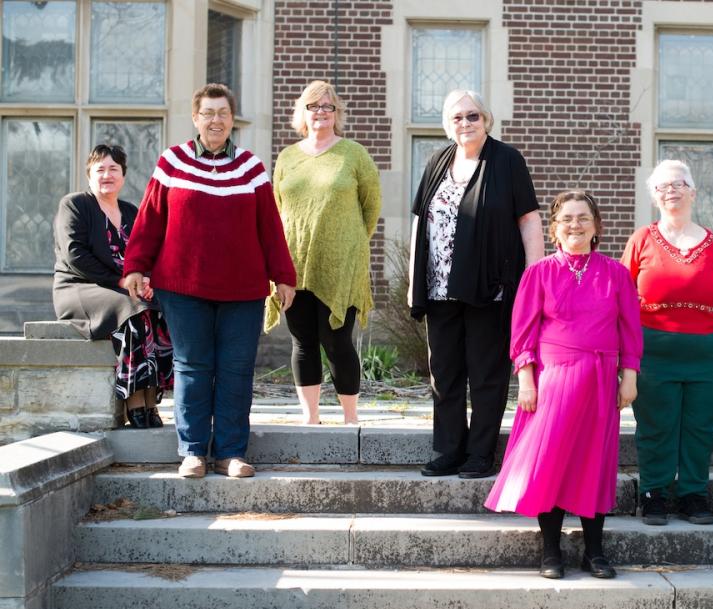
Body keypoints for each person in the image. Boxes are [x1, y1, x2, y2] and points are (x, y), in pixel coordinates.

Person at [122, 83, 297, 479]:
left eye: (222, 113)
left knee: (236, 369)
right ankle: (194, 452)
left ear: (232, 119)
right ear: (196, 118)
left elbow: (270, 228)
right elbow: (150, 220)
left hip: (243, 290)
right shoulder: (172, 162)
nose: (215, 120)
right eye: (208, 113)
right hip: (183, 287)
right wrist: (135, 266)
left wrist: (284, 276)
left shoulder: (251, 167)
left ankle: (231, 453)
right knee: (192, 367)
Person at [485, 191, 641, 579]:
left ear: (597, 227)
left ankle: (594, 551)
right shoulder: (538, 273)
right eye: (568, 218)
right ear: (555, 229)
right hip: (552, 379)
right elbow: (522, 332)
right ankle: (551, 552)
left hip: (601, 379)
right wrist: (526, 380)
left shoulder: (616, 274)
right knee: (550, 461)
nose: (576, 224)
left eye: (583, 218)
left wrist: (630, 376)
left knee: (595, 462)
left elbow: (630, 330)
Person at [408, 89, 545, 479]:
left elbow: (529, 220)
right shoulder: (437, 160)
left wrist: (534, 279)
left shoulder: (507, 160)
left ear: (486, 119)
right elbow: (421, 219)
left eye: (472, 116)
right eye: (457, 118)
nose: (465, 124)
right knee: (445, 371)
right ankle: (450, 449)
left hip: (491, 286)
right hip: (439, 287)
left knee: (486, 372)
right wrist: (415, 282)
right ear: (447, 125)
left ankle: (480, 454)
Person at [622, 159, 713, 526]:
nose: (671, 191)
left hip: (708, 353)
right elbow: (623, 295)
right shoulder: (642, 239)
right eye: (662, 186)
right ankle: (654, 494)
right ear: (654, 197)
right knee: (656, 425)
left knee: (701, 426)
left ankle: (693, 494)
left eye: (679, 184)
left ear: (693, 191)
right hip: (654, 351)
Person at [264, 80, 381, 425]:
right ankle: (310, 418)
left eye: (328, 106)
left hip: (340, 264)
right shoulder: (287, 157)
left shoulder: (354, 154)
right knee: (302, 341)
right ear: (302, 113)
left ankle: (350, 418)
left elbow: (371, 208)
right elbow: (277, 207)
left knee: (336, 340)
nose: (321, 113)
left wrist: (347, 243)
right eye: (313, 106)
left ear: (337, 113)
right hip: (295, 263)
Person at [53, 144, 173, 429]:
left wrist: (147, 279)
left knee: (158, 308)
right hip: (79, 287)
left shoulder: (131, 211)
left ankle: (151, 401)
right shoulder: (76, 204)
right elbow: (75, 256)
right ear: (89, 175)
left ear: (123, 175)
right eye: (100, 169)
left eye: (113, 169)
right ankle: (134, 403)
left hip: (126, 290)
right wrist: (122, 280)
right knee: (132, 309)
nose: (107, 175)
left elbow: (150, 252)